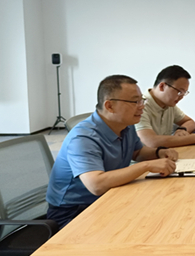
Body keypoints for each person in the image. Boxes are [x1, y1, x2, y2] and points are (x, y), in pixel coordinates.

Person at [46, 75, 178, 228]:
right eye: (135, 102)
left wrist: (158, 153)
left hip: (108, 197)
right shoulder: (83, 137)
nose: (141, 106)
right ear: (109, 106)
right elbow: (96, 185)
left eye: (142, 100)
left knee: (164, 210)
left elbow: (137, 152)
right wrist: (147, 166)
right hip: (74, 212)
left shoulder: (125, 125)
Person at [136, 65, 195, 148]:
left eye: (184, 93)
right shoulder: (139, 106)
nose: (181, 97)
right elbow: (151, 142)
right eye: (179, 92)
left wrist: (182, 129)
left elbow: (190, 122)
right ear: (162, 86)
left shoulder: (168, 104)